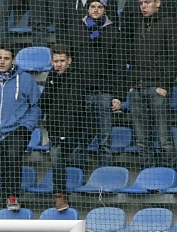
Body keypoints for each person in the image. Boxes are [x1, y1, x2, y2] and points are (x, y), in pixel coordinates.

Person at [0, 44, 42, 212]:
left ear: (13, 60)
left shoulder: (26, 80)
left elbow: (37, 107)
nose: (2, 61)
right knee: (2, 168)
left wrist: (27, 127)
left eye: (6, 58)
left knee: (12, 158)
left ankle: (13, 196)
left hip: (18, 131)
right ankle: (6, 202)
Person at [61, 0, 123, 168]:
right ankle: (77, 175)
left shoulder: (113, 32)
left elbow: (118, 66)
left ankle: (105, 176)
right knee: (80, 138)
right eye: (93, 7)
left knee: (104, 140)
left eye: (99, 7)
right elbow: (69, 63)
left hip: (104, 93)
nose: (96, 10)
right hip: (82, 93)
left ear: (105, 10)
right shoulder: (75, 30)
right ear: (87, 9)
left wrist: (118, 95)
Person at [124, 0, 177, 168]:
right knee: (142, 140)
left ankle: (170, 175)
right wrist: (131, 84)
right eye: (141, 3)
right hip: (137, 88)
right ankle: (147, 175)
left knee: (164, 139)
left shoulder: (169, 23)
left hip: (157, 89)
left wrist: (165, 85)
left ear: (158, 3)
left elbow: (173, 57)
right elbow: (131, 57)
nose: (143, 6)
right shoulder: (137, 24)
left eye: (147, 2)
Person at [40, 46, 86, 213]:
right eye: (55, 61)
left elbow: (75, 108)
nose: (58, 64)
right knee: (55, 155)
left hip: (75, 132)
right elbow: (44, 102)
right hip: (55, 131)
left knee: (73, 161)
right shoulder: (52, 77)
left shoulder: (77, 78)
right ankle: (59, 195)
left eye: (61, 61)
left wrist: (65, 134)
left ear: (69, 61)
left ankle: (75, 195)